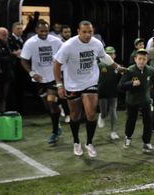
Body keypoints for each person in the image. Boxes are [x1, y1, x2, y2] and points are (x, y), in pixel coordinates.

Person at [53, 20, 126, 157]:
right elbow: (56, 64)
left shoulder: (96, 43)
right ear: (78, 32)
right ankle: (76, 142)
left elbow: (103, 56)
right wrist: (59, 85)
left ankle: (89, 143)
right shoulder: (68, 46)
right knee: (75, 115)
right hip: (72, 84)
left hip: (90, 82)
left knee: (91, 114)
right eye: (84, 32)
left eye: (90, 32)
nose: (87, 35)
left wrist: (117, 67)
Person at [20, 21, 63, 144]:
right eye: (41, 31)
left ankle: (54, 133)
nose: (44, 33)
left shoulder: (56, 41)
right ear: (36, 30)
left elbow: (65, 54)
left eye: (46, 31)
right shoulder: (30, 43)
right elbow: (23, 60)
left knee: (51, 101)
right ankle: (57, 122)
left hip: (53, 77)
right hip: (39, 79)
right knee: (47, 106)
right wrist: (32, 73)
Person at [118, 49, 154, 153]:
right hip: (132, 101)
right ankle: (128, 138)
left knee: (148, 122)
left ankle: (146, 143)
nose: (142, 61)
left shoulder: (150, 70)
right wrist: (131, 84)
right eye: (140, 59)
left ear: (147, 60)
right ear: (135, 59)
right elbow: (120, 87)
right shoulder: (129, 70)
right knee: (131, 121)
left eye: (144, 59)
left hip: (146, 101)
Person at [97, 46, 122, 140]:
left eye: (113, 54)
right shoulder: (99, 65)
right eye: (109, 54)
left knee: (113, 111)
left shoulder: (117, 66)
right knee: (104, 112)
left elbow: (122, 78)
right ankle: (102, 116)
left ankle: (113, 132)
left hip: (113, 92)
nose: (111, 55)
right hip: (102, 92)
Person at [0, 27, 14, 113]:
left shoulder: (6, 43)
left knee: (5, 95)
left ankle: (2, 112)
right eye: (4, 35)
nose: (6, 36)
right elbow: (0, 58)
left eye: (6, 34)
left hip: (7, 73)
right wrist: (12, 55)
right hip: (1, 74)